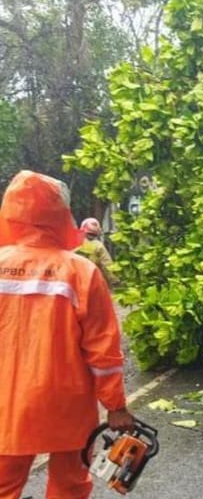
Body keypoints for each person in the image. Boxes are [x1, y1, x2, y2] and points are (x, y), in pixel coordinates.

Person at [0, 171, 135, 499]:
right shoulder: (81, 272)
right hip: (67, 405)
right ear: (60, 214)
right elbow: (103, 352)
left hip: (6, 405)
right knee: (69, 486)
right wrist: (115, 406)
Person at [77, 217, 120, 287]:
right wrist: (115, 281)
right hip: (90, 281)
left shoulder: (70, 242)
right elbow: (107, 266)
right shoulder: (98, 246)